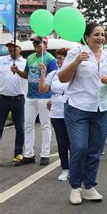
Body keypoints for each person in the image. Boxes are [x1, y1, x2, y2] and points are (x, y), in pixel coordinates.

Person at [58, 22, 107, 205]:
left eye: (102, 34)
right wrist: (76, 62)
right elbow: (62, 78)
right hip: (77, 108)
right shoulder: (76, 53)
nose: (100, 38)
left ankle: (90, 187)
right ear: (87, 36)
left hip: (100, 109)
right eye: (96, 34)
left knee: (95, 150)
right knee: (79, 147)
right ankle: (75, 187)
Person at [12, 35, 58, 166]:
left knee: (45, 125)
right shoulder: (31, 58)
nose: (35, 44)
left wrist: (53, 98)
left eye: (38, 42)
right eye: (33, 42)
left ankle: (45, 154)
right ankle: (28, 154)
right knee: (27, 125)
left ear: (45, 44)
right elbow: (27, 75)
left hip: (45, 96)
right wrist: (18, 71)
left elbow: (54, 79)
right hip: (31, 96)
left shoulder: (50, 59)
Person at [38, 48, 70, 181]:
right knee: (62, 142)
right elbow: (43, 90)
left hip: (73, 112)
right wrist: (43, 74)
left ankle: (76, 168)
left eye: (61, 58)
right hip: (56, 113)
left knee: (74, 143)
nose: (58, 60)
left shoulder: (75, 73)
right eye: (57, 58)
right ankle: (65, 169)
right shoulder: (53, 74)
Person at [0, 41, 27, 165]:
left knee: (20, 128)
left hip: (18, 98)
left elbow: (28, 76)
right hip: (3, 98)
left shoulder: (25, 62)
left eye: (13, 47)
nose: (10, 49)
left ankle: (18, 153)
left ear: (20, 49)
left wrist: (18, 71)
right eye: (9, 47)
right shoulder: (2, 60)